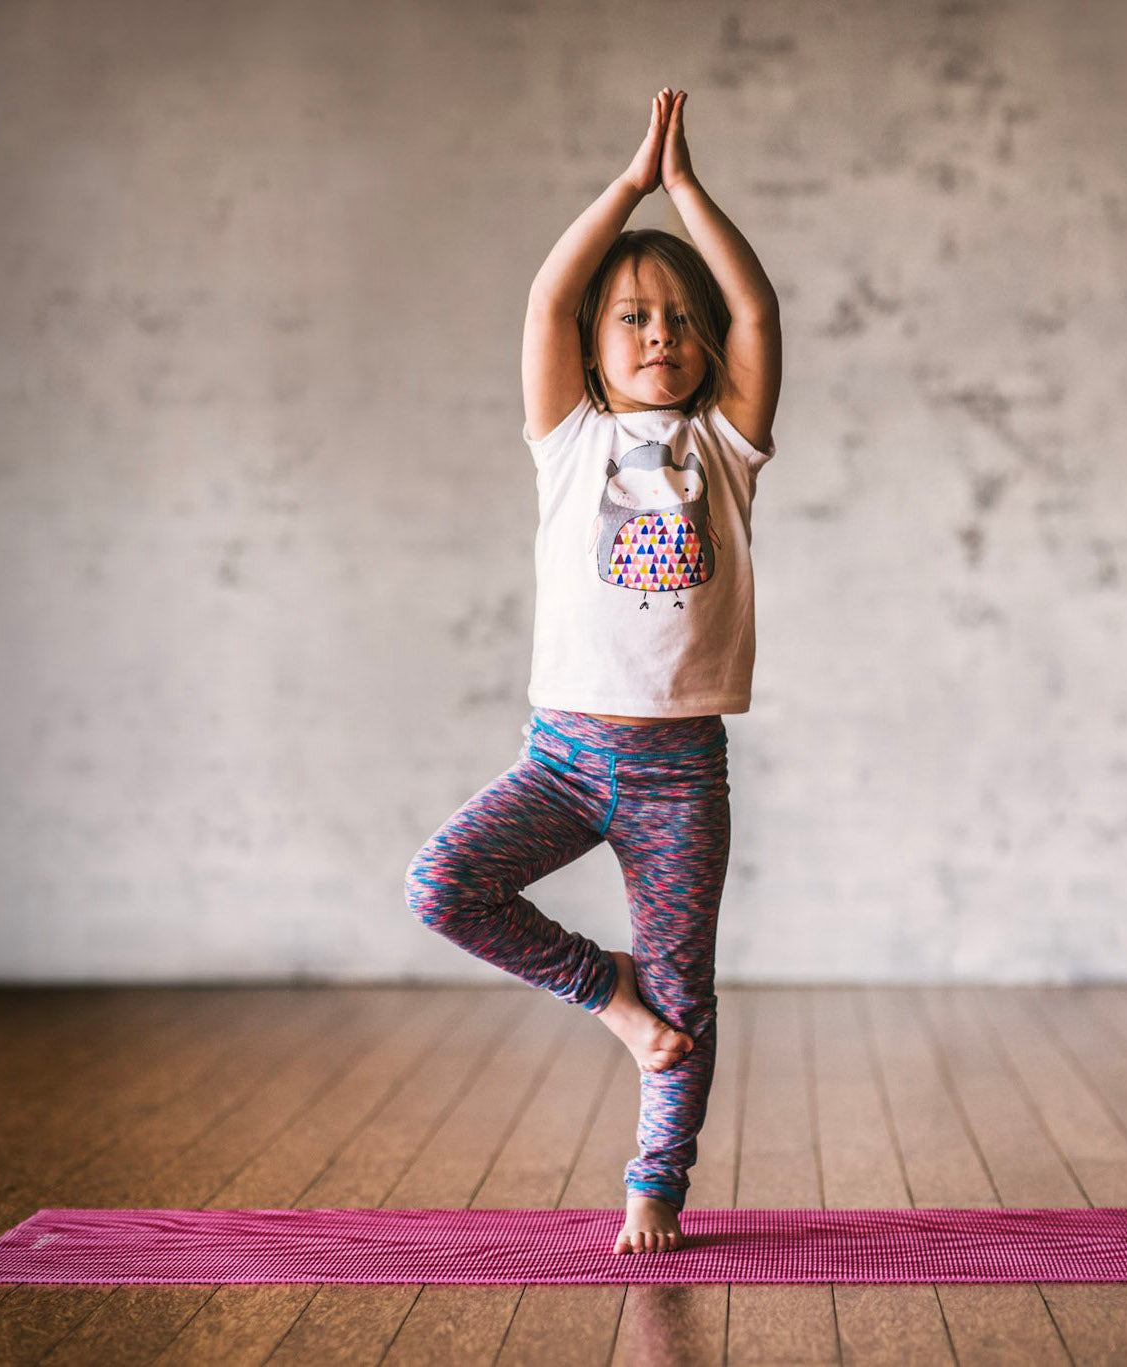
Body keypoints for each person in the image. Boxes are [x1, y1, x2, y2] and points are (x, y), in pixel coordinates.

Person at [404, 88, 781, 1255]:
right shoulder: (567, 440)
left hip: (678, 774)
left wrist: (689, 196)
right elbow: (545, 296)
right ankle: (606, 994)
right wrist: (628, 186)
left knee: (688, 1002)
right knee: (443, 888)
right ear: (591, 346)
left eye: (676, 317)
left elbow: (760, 310)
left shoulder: (725, 444)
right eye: (632, 317)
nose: (658, 333)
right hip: (564, 758)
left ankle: (654, 1184)